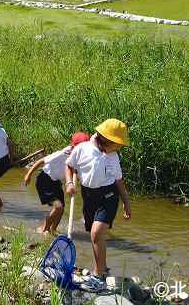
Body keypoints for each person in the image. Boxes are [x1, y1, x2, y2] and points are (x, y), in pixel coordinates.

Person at [65, 118, 132, 291]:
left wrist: (126, 202)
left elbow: (118, 181)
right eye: (117, 144)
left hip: (108, 195)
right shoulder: (82, 149)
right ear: (105, 139)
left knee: (96, 233)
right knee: (94, 235)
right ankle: (103, 266)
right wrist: (69, 183)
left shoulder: (113, 157)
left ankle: (98, 275)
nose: (119, 148)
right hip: (89, 195)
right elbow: (69, 166)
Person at [24, 131, 90, 237]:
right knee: (58, 207)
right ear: (74, 147)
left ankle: (53, 230)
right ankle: (44, 229)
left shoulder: (81, 156)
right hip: (45, 180)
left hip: (55, 183)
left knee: (61, 209)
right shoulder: (63, 153)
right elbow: (41, 161)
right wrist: (29, 175)